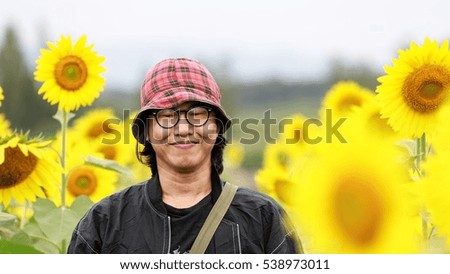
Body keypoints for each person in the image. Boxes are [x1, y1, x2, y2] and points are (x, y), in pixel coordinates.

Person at [67, 57, 302, 254]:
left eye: (197, 114)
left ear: (217, 126)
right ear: (147, 131)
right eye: (167, 116)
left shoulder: (263, 219)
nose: (182, 129)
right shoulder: (104, 224)